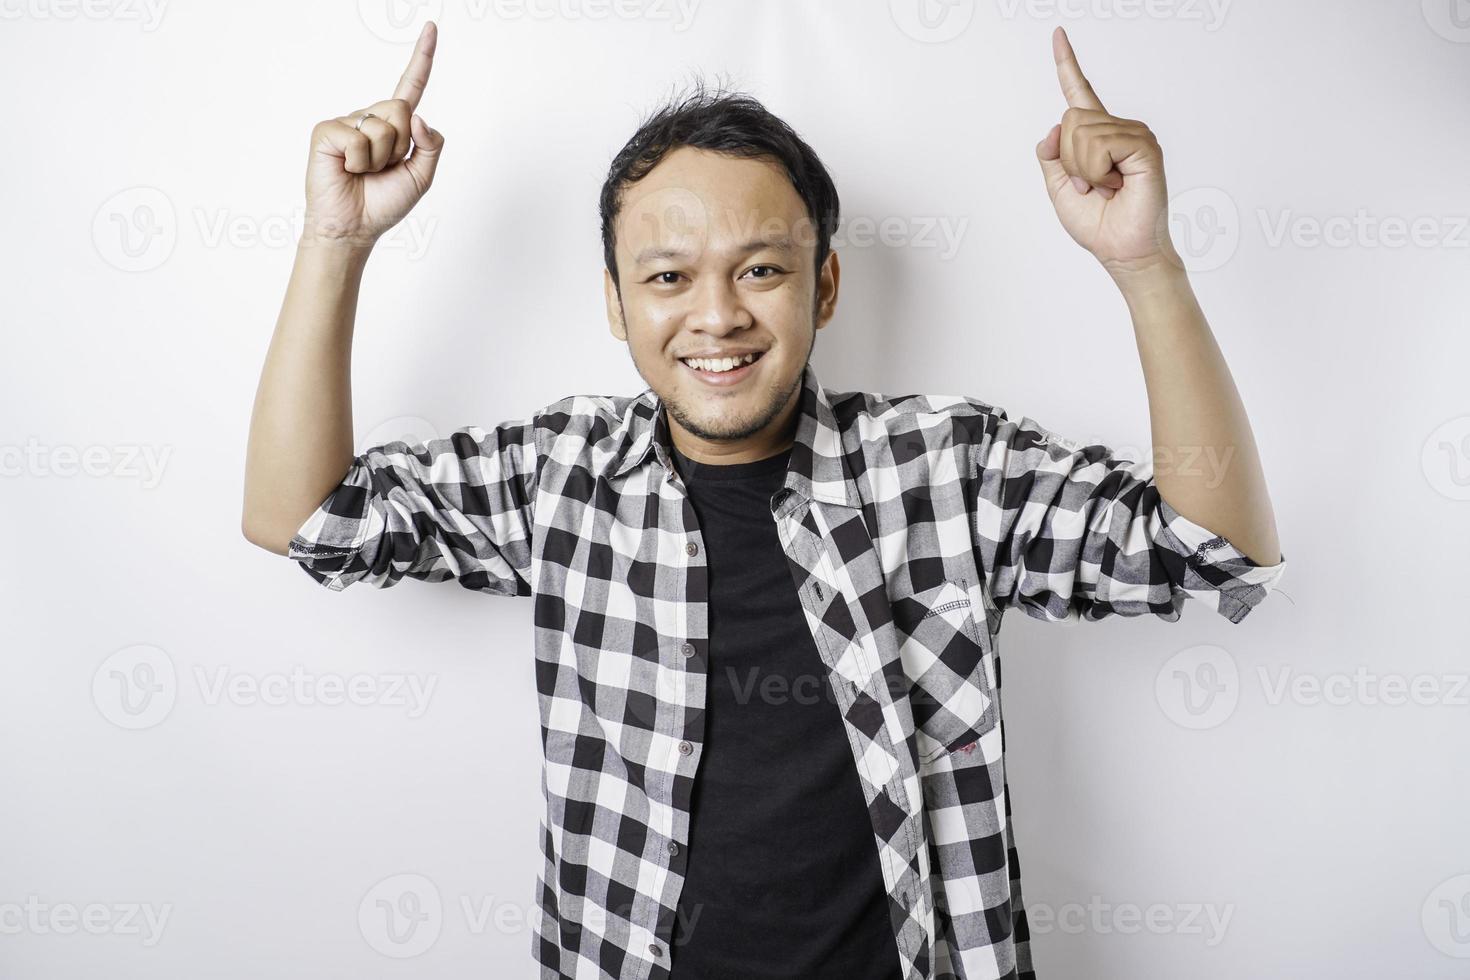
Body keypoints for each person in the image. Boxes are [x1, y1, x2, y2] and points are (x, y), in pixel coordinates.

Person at [242, 20, 1286, 980]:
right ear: (614, 300)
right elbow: (304, 517)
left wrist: (1145, 263)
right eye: (667, 278)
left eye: (760, 270)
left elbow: (1213, 546)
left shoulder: (946, 466)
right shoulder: (560, 474)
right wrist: (337, 242)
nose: (717, 317)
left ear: (823, 284)